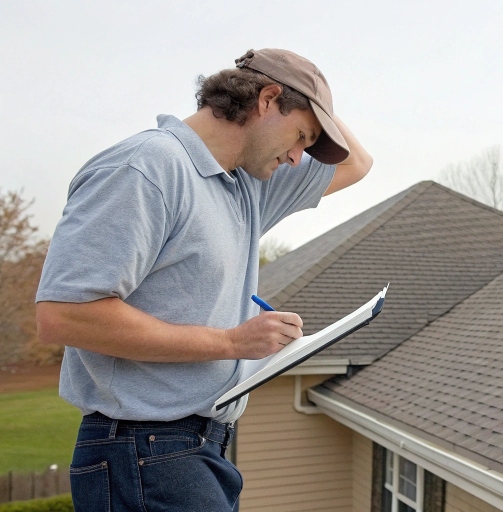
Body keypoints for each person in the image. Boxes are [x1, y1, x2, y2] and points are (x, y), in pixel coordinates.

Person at [35, 48, 373, 511]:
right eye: (300, 136)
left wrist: (312, 97)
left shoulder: (246, 186)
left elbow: (356, 164)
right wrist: (232, 343)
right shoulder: (146, 169)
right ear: (267, 99)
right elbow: (64, 316)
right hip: (143, 451)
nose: (298, 158)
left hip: (195, 448)